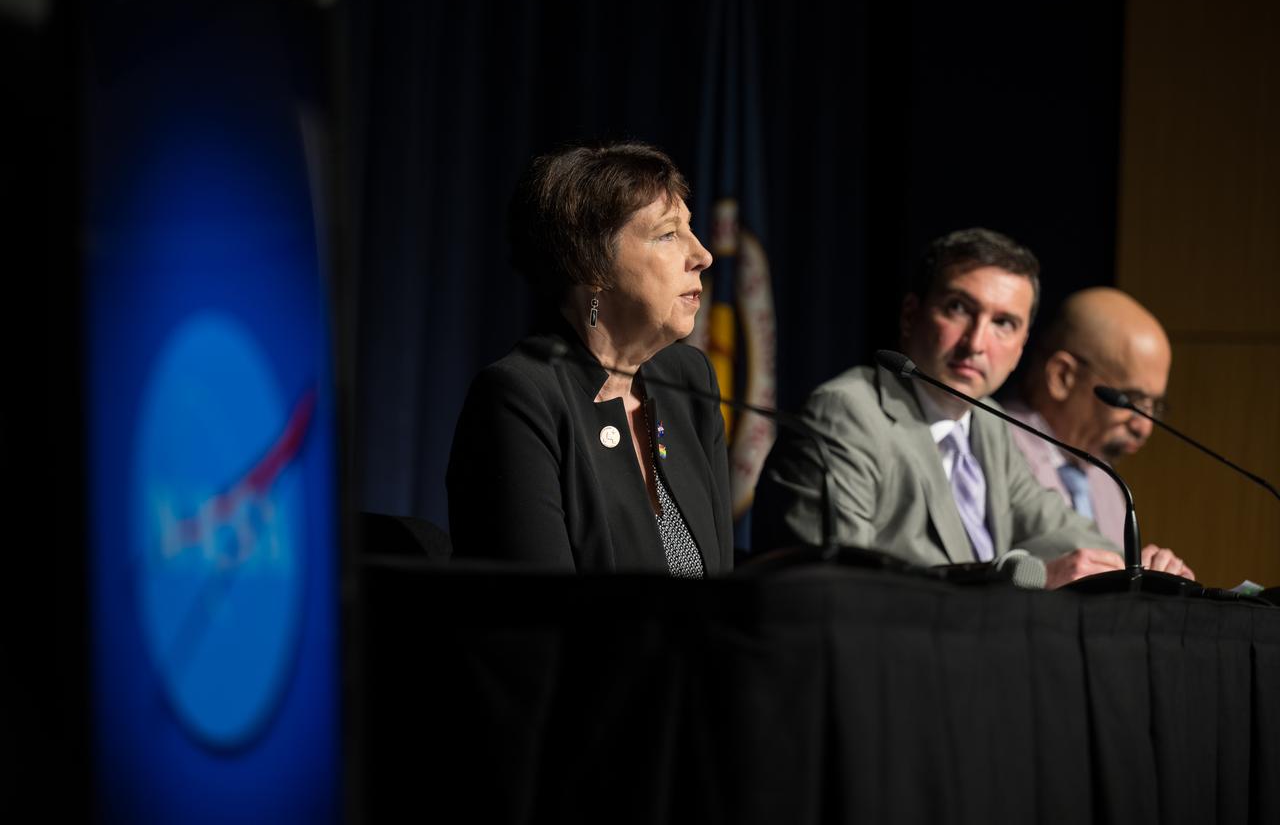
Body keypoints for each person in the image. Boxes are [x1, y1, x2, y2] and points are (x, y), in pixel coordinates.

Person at [754, 228, 1193, 589]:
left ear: (1021, 347)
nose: (976, 343)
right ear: (910, 316)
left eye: (1003, 323)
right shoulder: (848, 415)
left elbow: (1055, 528)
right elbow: (837, 586)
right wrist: (1031, 577)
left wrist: (1140, 567)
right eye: (959, 309)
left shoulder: (986, 422)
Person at [446, 141, 733, 575]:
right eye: (668, 234)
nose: (703, 256)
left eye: (689, 229)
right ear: (591, 265)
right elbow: (531, 610)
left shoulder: (690, 381)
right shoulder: (520, 400)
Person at [1005, 288, 1189, 578]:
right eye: (1130, 401)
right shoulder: (992, 447)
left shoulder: (1106, 480)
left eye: (1155, 406)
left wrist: (1152, 576)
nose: (1144, 427)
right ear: (1063, 376)